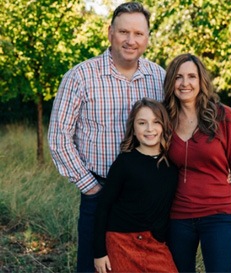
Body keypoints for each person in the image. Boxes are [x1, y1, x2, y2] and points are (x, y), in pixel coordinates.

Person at [47, 2, 166, 272]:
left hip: (146, 195)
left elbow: (171, 131)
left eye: (138, 34)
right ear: (110, 32)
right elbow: (58, 138)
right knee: (94, 267)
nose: (131, 40)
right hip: (99, 191)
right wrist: (92, 188)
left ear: (147, 38)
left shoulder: (158, 77)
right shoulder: (80, 76)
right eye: (124, 32)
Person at [163, 53, 231, 273]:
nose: (185, 83)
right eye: (179, 77)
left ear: (201, 81)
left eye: (192, 76)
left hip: (219, 214)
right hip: (178, 216)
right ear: (172, 82)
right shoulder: (164, 120)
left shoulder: (225, 117)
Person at [93, 98, 178, 273]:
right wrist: (99, 253)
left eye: (156, 122)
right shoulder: (125, 162)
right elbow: (103, 207)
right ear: (133, 127)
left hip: (155, 244)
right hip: (121, 241)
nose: (149, 129)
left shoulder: (172, 164)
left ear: (164, 126)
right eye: (142, 123)